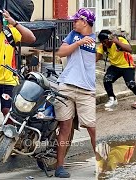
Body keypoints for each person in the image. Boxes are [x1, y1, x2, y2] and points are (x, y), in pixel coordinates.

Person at [55, 8, 96, 178]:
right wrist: (78, 43)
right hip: (66, 86)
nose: (73, 22)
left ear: (84, 22)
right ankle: (59, 167)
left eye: (76, 20)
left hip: (87, 91)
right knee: (65, 128)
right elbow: (61, 52)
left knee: (93, 129)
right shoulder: (73, 35)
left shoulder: (97, 40)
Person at [0, 9, 35, 143]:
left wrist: (14, 23)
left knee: (7, 111)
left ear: (1, 24)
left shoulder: (9, 32)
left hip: (9, 80)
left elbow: (31, 38)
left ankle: (10, 142)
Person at [96, 30, 136, 108]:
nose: (104, 44)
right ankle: (112, 99)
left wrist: (117, 42)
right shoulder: (102, 46)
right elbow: (97, 57)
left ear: (110, 39)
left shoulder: (120, 40)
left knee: (131, 84)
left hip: (127, 66)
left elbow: (130, 49)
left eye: (105, 41)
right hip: (114, 67)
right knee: (107, 80)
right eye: (102, 42)